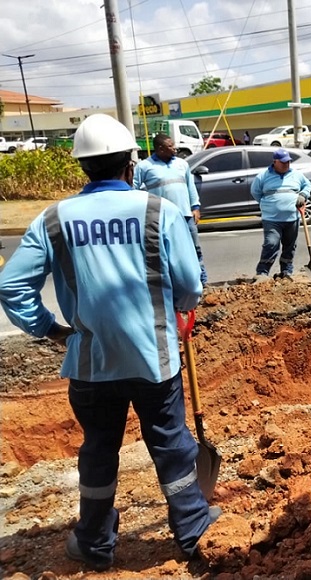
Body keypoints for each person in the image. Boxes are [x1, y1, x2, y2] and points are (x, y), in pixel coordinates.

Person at [0, 114, 219, 572]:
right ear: (130, 165)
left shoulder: (55, 218)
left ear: (83, 167)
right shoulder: (157, 210)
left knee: (99, 450)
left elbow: (11, 285)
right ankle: (193, 532)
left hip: (90, 364)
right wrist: (178, 308)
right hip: (153, 360)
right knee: (172, 446)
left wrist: (49, 328)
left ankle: (95, 543)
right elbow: (188, 285)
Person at [134, 133, 208, 285]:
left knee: (195, 249)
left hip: (185, 215)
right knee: (165, 251)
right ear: (160, 149)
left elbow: (190, 186)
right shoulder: (144, 167)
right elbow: (133, 190)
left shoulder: (182, 164)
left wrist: (195, 207)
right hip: (160, 218)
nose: (175, 148)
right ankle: (172, 283)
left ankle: (202, 282)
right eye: (170, 146)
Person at [251, 149, 311, 280]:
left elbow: (307, 185)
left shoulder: (296, 175)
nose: (286, 164)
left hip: (292, 218)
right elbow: (256, 192)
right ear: (275, 162)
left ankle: (286, 272)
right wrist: (269, 204)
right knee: (271, 243)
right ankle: (262, 272)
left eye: (288, 162)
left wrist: (303, 195)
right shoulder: (263, 176)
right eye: (283, 162)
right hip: (271, 219)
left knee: (290, 246)